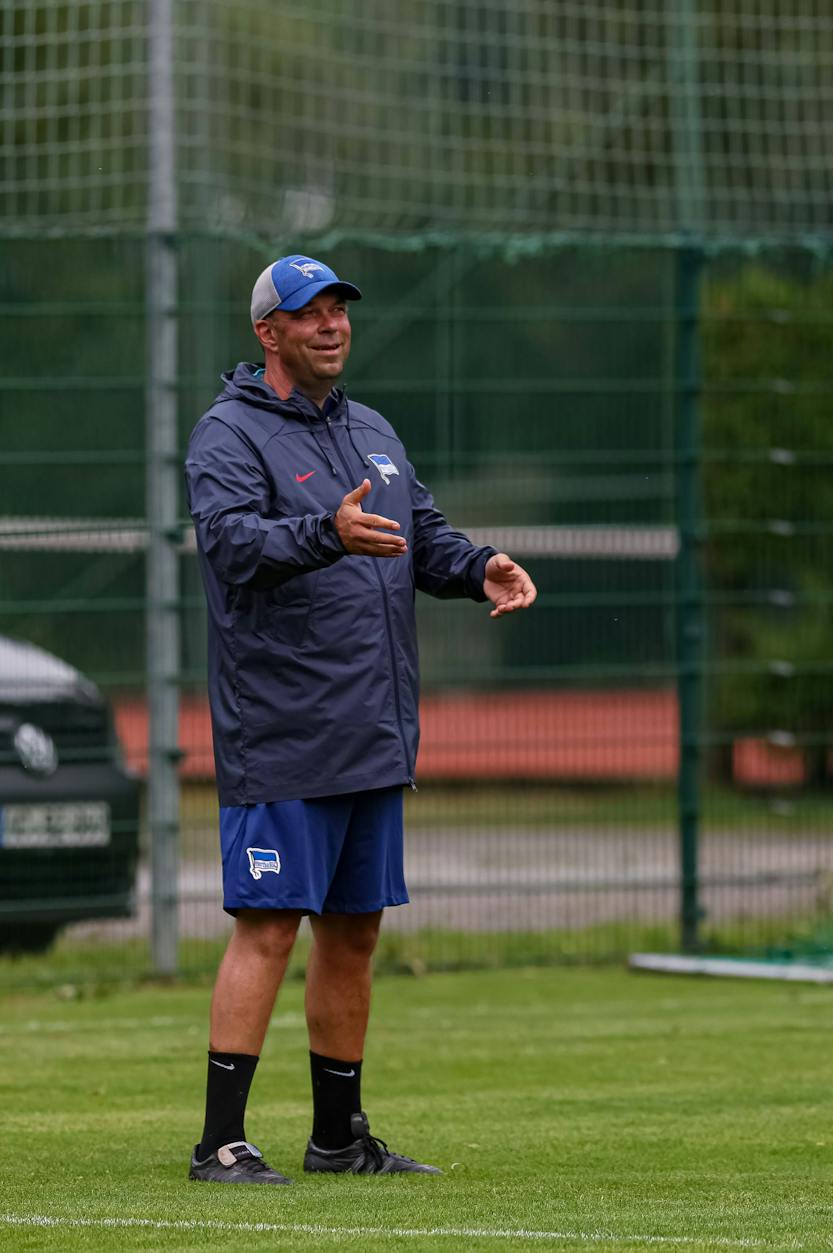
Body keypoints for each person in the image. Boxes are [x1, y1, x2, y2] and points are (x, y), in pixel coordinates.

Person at [182, 255, 538, 1183]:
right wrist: (322, 532)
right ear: (269, 332)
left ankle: (338, 1138)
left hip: (371, 731)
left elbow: (420, 536)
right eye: (311, 313)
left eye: (340, 308)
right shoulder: (229, 433)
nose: (333, 324)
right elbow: (230, 543)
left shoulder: (372, 429)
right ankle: (221, 1141)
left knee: (354, 932)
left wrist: (479, 566)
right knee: (269, 924)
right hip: (282, 729)